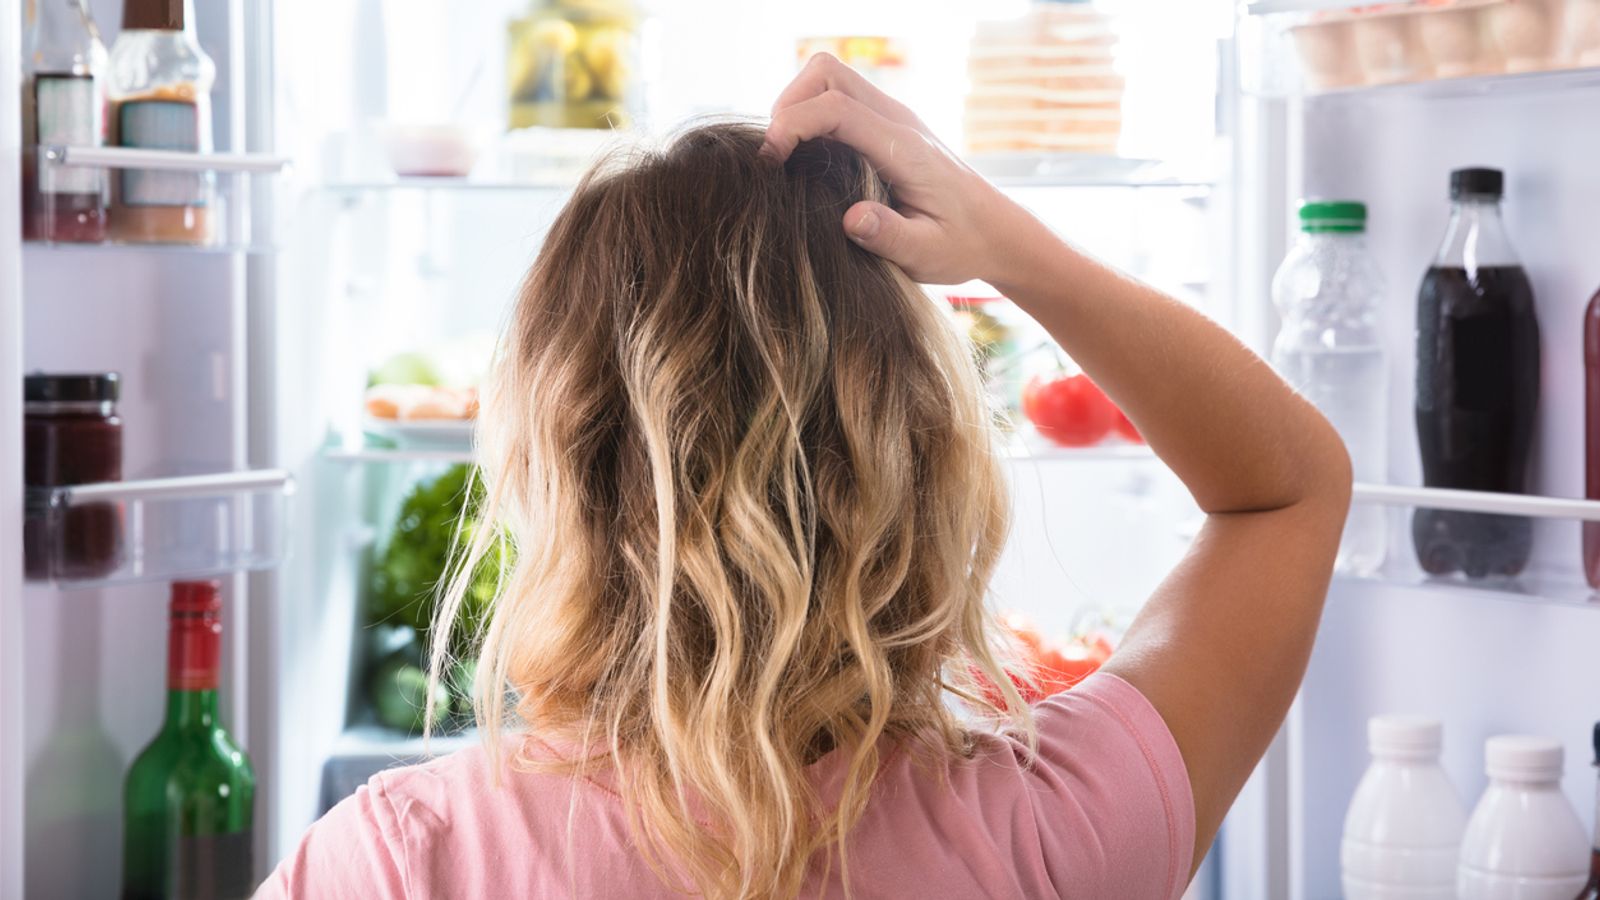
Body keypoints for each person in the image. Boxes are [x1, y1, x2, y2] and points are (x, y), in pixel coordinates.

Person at [259, 55, 1350, 900]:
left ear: (553, 460)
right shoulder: (1054, 828)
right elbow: (1289, 491)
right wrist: (1004, 241)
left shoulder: (401, 861)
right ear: (918, 449)